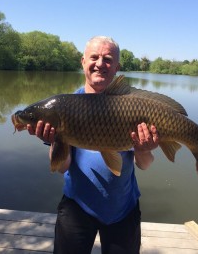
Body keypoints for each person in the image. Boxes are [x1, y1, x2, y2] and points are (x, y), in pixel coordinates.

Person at [27, 36, 159, 254]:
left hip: (123, 208)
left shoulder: (133, 106)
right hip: (77, 206)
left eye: (108, 59)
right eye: (94, 57)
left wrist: (144, 149)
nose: (100, 63)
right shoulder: (67, 106)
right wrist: (55, 141)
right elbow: (62, 167)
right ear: (83, 62)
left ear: (117, 66)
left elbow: (144, 164)